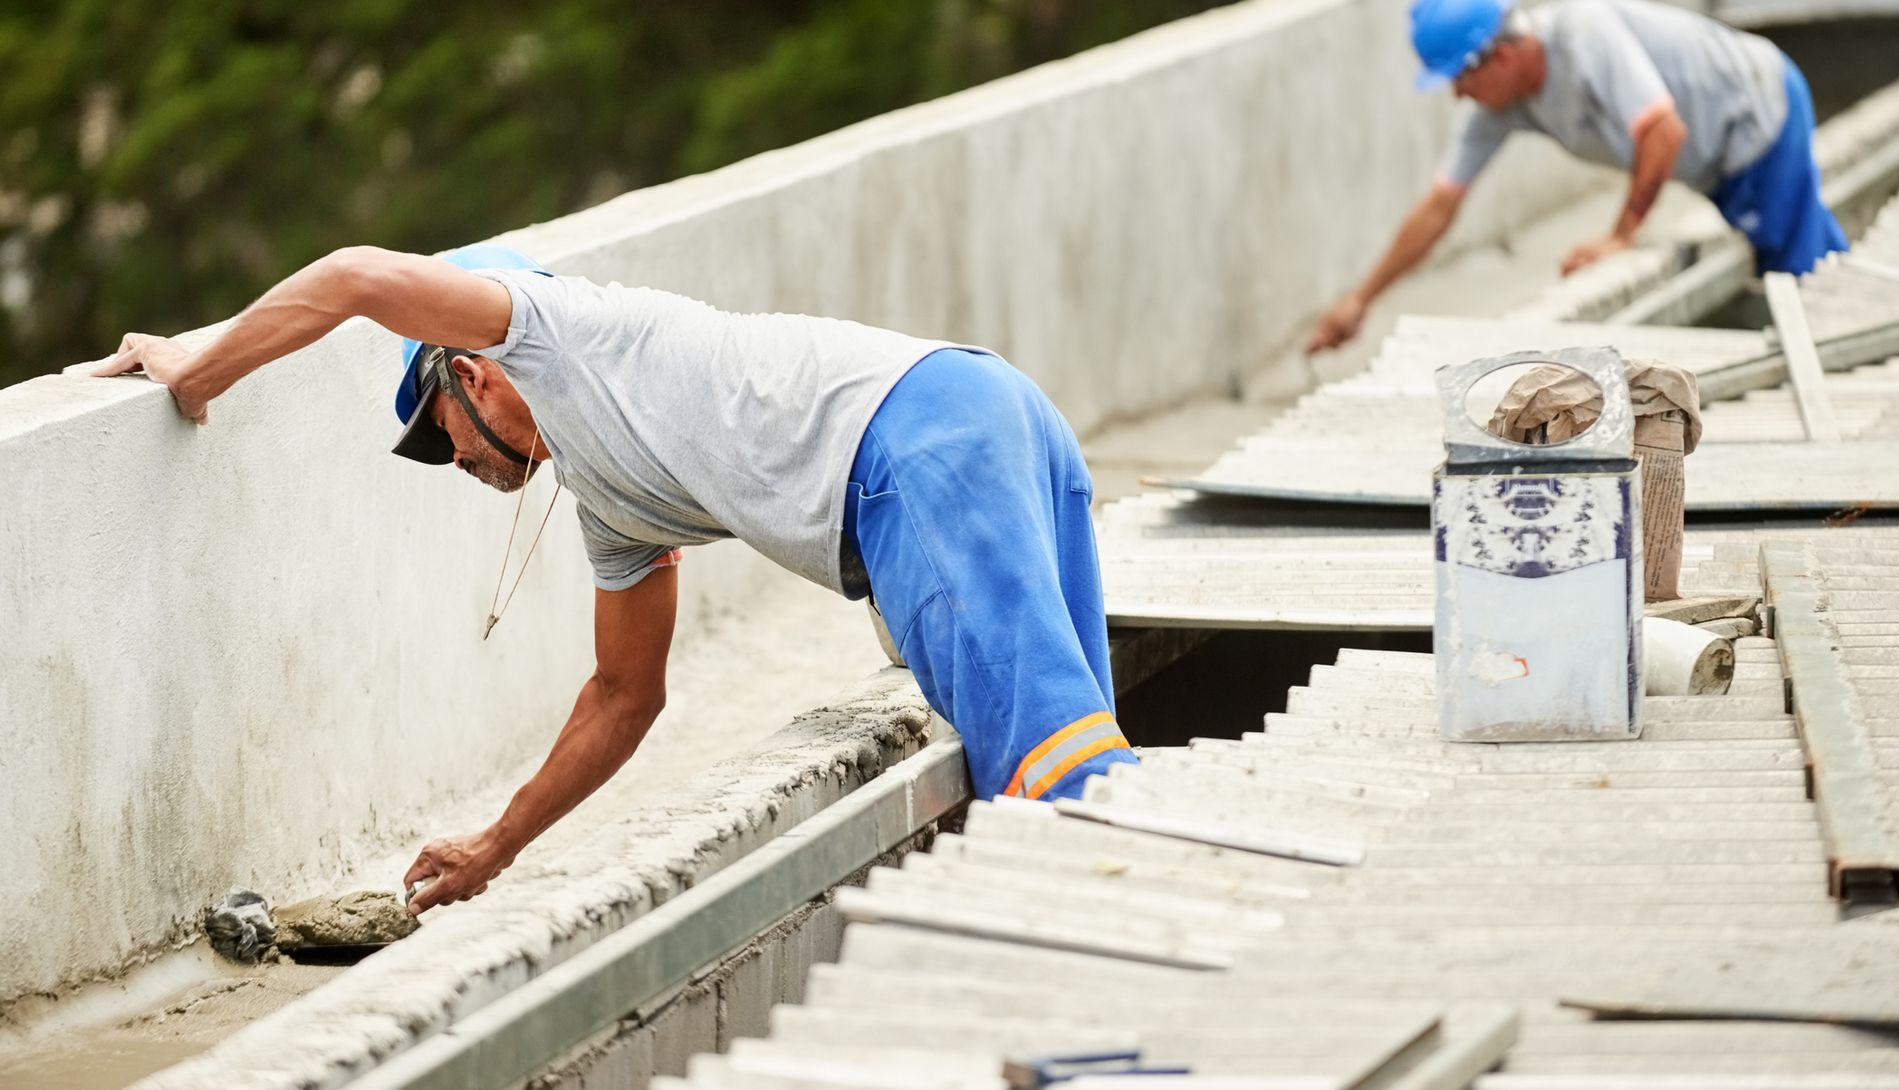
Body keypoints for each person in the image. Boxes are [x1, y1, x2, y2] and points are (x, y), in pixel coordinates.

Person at [93, 244, 1137, 914]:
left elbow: (357, 278)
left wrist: (202, 363)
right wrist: (497, 843)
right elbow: (626, 696)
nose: (449, 459)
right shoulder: (614, 505)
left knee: (1055, 790)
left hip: (916, 455)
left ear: (471, 366)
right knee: (1077, 751)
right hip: (987, 411)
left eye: (433, 431)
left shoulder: (550, 330)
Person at [1306, 0, 1848, 353]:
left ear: (1502, 55)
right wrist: (1360, 300)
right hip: (1719, 157)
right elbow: (1440, 205)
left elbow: (1662, 130)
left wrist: (1621, 236)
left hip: (1757, 112)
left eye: (1459, 78)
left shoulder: (1583, 32)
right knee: (1811, 251)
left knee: (1800, 272)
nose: (1457, 95)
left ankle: (1859, 355)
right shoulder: (1500, 106)